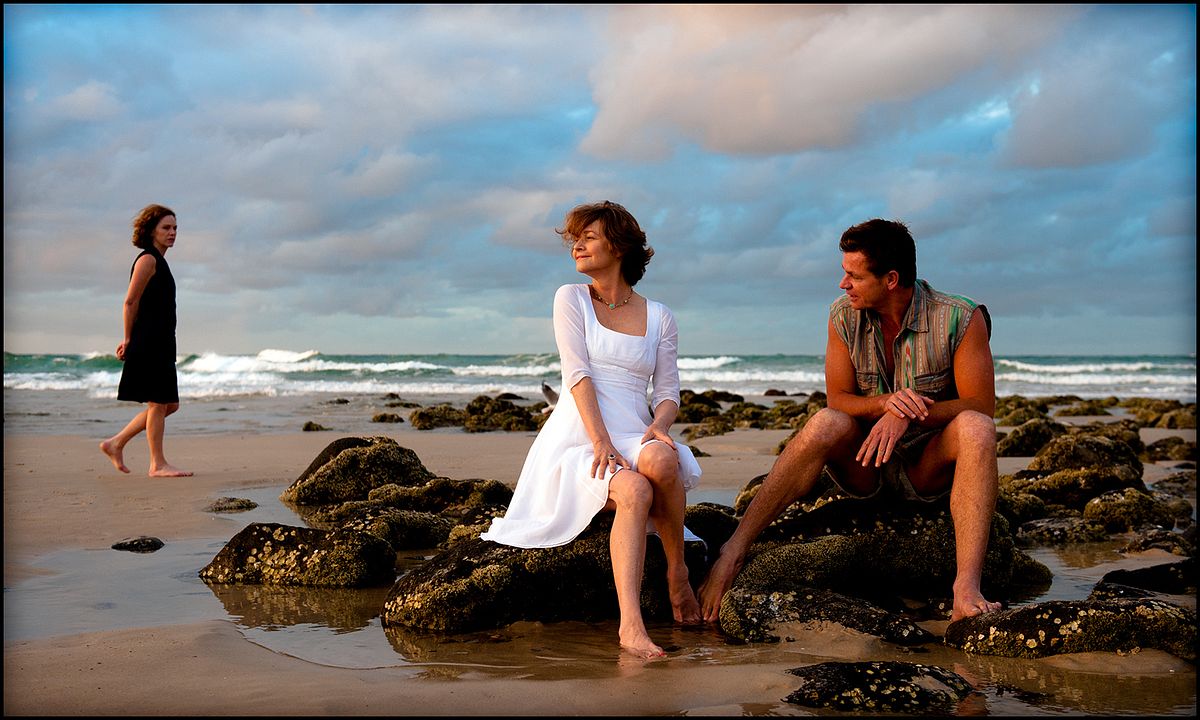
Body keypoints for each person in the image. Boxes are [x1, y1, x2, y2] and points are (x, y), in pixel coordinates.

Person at [698, 218, 1002, 624]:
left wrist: (908, 413)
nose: (844, 284)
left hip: (927, 468)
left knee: (977, 428)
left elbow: (981, 405)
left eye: (854, 275)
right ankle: (733, 552)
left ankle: (966, 587)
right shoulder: (843, 316)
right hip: (866, 467)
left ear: (891, 279)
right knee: (825, 422)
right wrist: (889, 404)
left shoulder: (960, 318)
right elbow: (838, 398)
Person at [481, 200, 703, 658]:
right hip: (578, 435)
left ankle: (677, 572)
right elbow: (577, 375)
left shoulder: (660, 316)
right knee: (636, 491)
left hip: (633, 430)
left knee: (663, 458)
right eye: (573, 238)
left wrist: (660, 425)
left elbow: (667, 390)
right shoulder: (570, 298)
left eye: (589, 236)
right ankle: (631, 627)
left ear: (619, 247)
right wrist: (600, 442)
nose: (577, 245)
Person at [99, 204, 193, 478]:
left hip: (162, 341)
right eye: (166, 227)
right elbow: (130, 302)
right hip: (149, 341)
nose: (173, 232)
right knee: (158, 403)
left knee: (169, 405)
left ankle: (115, 443)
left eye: (175, 228)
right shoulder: (148, 260)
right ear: (151, 230)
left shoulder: (160, 262)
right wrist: (128, 339)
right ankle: (157, 464)